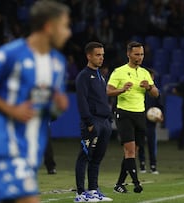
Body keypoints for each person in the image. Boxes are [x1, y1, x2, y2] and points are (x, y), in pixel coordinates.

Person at [0, 1, 71, 202]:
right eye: (65, 26)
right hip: (8, 142)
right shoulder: (11, 54)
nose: (68, 33)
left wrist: (58, 107)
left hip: (33, 148)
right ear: (49, 26)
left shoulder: (57, 62)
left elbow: (46, 109)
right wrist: (10, 109)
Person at [107, 41, 159, 193]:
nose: (140, 57)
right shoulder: (119, 72)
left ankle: (119, 184)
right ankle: (136, 183)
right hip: (124, 113)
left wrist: (149, 87)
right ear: (128, 54)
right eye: (137, 54)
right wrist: (121, 90)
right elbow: (108, 91)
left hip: (140, 114)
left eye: (142, 54)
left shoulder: (144, 73)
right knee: (130, 151)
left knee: (132, 152)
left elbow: (156, 93)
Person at [74, 42, 113, 202]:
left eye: (102, 55)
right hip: (93, 122)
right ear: (89, 56)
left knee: (97, 158)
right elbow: (82, 101)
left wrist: (108, 119)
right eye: (98, 55)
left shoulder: (101, 76)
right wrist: (89, 121)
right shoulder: (83, 76)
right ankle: (80, 193)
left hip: (104, 122)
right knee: (85, 156)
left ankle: (93, 190)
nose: (101, 58)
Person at [138, 68, 164, 174]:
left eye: (152, 77)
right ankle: (142, 165)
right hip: (139, 120)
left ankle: (153, 166)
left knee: (151, 144)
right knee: (140, 143)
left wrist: (160, 116)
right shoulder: (139, 90)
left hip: (150, 123)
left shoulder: (155, 91)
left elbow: (160, 106)